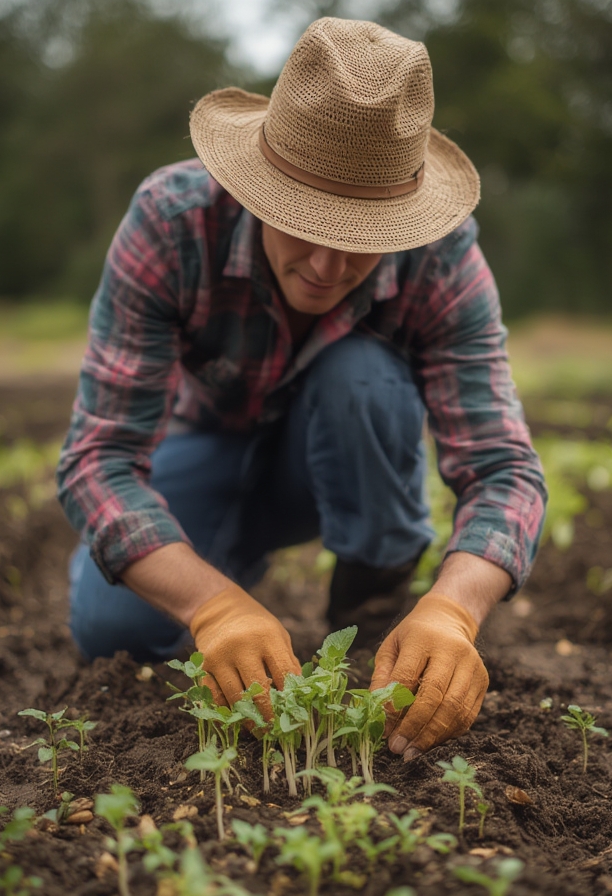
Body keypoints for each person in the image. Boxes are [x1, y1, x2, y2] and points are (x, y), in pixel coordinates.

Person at [58, 17, 547, 761]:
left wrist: (453, 611)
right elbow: (98, 459)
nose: (326, 264)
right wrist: (211, 605)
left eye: (360, 234)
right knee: (112, 631)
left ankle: (374, 604)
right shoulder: (173, 222)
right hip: (210, 446)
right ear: (256, 188)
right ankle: (227, 570)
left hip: (341, 458)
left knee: (363, 378)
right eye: (302, 222)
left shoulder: (441, 259)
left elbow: (504, 469)